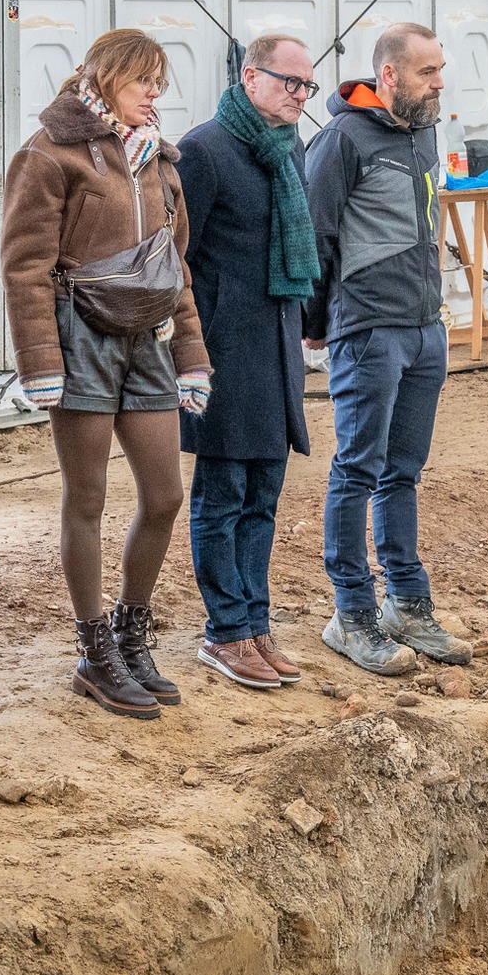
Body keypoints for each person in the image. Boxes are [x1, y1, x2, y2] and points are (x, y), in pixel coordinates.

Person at [2, 29, 212, 721]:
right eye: (145, 79)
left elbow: (170, 268)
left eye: (160, 81)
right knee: (85, 498)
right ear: (104, 76)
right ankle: (94, 651)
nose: (157, 93)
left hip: (146, 343)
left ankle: (131, 628)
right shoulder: (47, 153)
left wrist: (191, 357)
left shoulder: (158, 159)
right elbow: (25, 265)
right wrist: (39, 362)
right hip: (79, 337)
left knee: (164, 494)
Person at [304, 21, 470, 676]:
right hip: (367, 331)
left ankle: (407, 603)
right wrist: (317, 324)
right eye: (428, 72)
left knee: (403, 472)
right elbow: (315, 239)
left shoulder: (425, 130)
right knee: (358, 469)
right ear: (390, 75)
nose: (439, 82)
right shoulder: (343, 138)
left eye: (440, 69)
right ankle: (352, 614)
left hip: (425, 329)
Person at [176, 34, 318, 688]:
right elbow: (177, 260)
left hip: (277, 346)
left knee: (264, 491)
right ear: (250, 75)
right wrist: (192, 351)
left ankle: (255, 624)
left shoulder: (284, 151)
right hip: (225, 351)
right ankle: (225, 631)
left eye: (306, 86)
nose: (300, 95)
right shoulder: (203, 150)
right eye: (290, 82)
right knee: (223, 492)